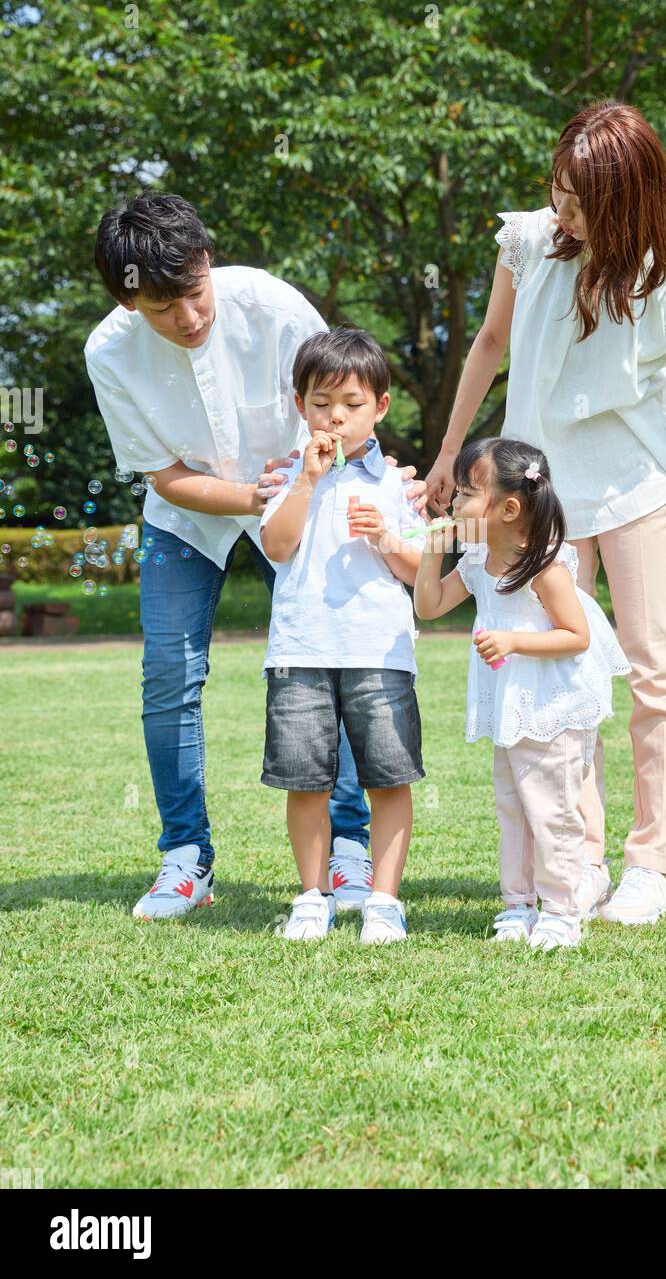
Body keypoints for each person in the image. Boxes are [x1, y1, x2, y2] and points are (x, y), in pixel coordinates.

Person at [426, 100, 666, 926]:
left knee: (652, 668)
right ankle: (575, 865)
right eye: (559, 188)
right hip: (539, 494)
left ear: (627, 197)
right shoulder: (527, 241)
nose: (563, 209)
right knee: (556, 674)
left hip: (637, 487)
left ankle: (652, 867)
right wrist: (447, 453)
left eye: (581, 199)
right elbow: (489, 344)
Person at [84, 192, 428, 920]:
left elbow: (342, 399)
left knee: (330, 654)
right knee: (170, 672)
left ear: (207, 259)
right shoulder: (108, 352)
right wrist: (255, 499)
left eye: (195, 292)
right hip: (193, 515)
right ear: (126, 302)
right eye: (163, 309)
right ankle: (186, 857)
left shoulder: (273, 305)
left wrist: (385, 479)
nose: (189, 317)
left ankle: (347, 850)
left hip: (310, 505)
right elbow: (166, 477)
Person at [415, 437, 631, 951]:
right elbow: (429, 605)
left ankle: (561, 910)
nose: (455, 504)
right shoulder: (477, 560)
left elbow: (575, 636)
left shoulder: (545, 569)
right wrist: (430, 555)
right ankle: (518, 904)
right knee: (513, 805)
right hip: (514, 708)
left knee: (552, 810)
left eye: (467, 493)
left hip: (553, 706)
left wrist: (513, 640)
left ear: (509, 508)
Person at [259, 327, 427, 945]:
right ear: (300, 406)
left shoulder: (399, 485)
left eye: (352, 404)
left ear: (380, 407)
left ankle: (384, 901)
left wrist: (386, 536)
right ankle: (311, 897)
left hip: (380, 652)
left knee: (388, 777)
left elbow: (422, 577)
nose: (336, 417)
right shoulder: (284, 476)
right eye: (321, 402)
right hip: (300, 651)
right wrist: (306, 481)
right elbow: (277, 547)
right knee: (306, 780)